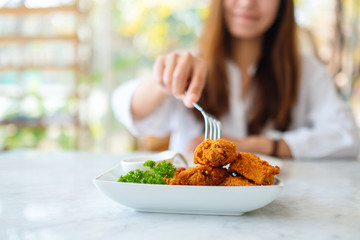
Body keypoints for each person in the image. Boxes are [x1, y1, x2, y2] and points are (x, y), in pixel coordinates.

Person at [112, 0, 359, 159]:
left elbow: (348, 138)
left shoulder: (306, 70)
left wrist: (256, 145)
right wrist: (162, 80)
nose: (246, 3)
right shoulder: (190, 63)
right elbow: (129, 110)